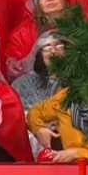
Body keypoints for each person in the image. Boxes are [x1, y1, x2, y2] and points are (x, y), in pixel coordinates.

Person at [5, 0, 73, 82]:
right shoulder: (22, 33)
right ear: (36, 2)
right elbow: (12, 70)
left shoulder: (79, 25)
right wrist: (32, 60)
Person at [12, 30, 68, 160]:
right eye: (47, 47)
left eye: (59, 45)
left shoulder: (81, 82)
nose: (53, 51)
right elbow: (16, 117)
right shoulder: (23, 84)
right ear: (39, 54)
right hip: (34, 145)